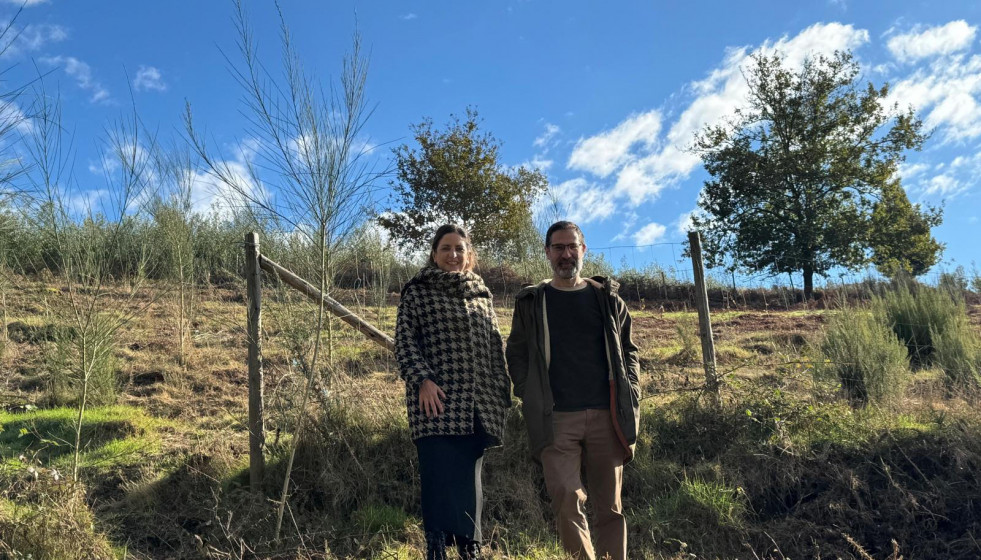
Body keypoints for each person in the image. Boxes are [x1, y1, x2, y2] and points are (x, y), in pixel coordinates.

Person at [505, 220, 641, 560]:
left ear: (583, 250)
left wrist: (632, 393)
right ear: (548, 252)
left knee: (610, 507)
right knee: (567, 498)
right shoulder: (532, 302)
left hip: (606, 416)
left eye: (572, 247)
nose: (566, 254)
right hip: (555, 418)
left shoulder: (607, 300)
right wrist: (529, 393)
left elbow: (630, 351)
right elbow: (516, 353)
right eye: (558, 248)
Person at [395, 224, 512, 560]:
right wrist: (423, 380)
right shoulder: (417, 291)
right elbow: (404, 342)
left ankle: (470, 547)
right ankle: (435, 546)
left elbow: (494, 346)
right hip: (434, 400)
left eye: (460, 248)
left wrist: (502, 393)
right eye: (446, 248)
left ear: (469, 255)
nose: (453, 255)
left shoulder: (482, 295)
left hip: (477, 403)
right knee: (437, 472)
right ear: (434, 254)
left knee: (469, 476)